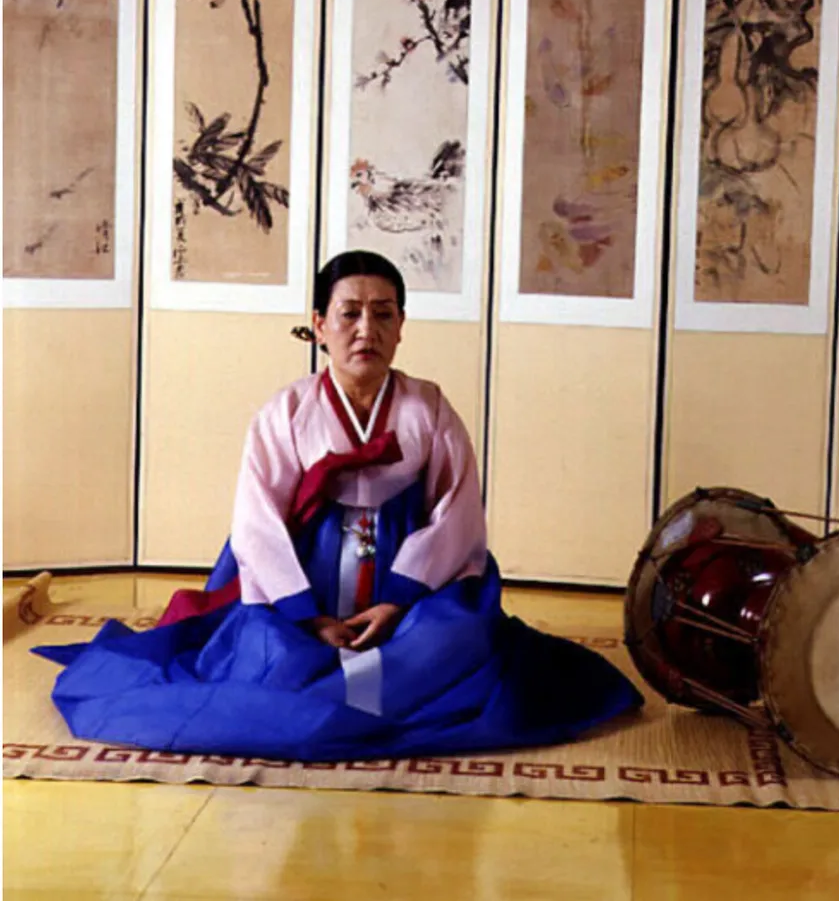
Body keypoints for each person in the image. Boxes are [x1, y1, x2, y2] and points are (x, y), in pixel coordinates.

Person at [35, 250, 642, 761]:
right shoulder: (286, 412)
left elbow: (457, 515)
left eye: (383, 314)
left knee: (459, 643)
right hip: (303, 585)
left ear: (402, 325)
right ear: (320, 324)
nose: (365, 330)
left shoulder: (429, 408)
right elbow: (256, 524)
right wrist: (307, 616)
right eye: (349, 314)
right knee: (269, 656)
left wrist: (398, 601)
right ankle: (352, 694)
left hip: (410, 590)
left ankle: (352, 695)